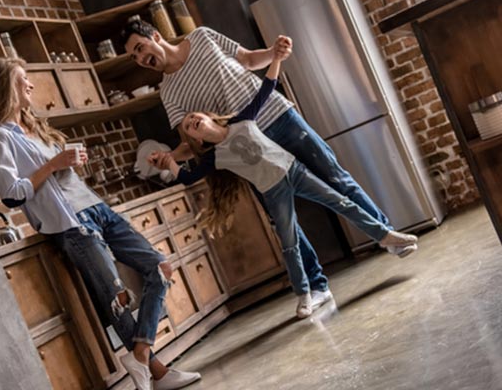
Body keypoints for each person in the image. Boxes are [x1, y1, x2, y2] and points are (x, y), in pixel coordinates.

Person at [121, 20, 418, 311]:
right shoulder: (168, 93)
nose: (139, 58)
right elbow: (192, 142)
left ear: (155, 36)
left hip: (278, 117)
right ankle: (317, 287)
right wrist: (170, 157)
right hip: (249, 150)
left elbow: (249, 59)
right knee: (284, 223)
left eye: (139, 48)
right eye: (133, 57)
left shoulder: (201, 37)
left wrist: (273, 53)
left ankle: (386, 235)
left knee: (336, 178)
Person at [0, 57, 201, 390]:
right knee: (118, 299)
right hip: (71, 225)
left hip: (97, 209)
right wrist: (54, 163)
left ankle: (140, 355)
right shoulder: (1, 138)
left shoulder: (35, 124)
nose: (30, 84)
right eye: (23, 79)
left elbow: (55, 174)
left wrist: (68, 163)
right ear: (6, 87)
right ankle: (158, 373)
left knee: (160, 267)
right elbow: (11, 195)